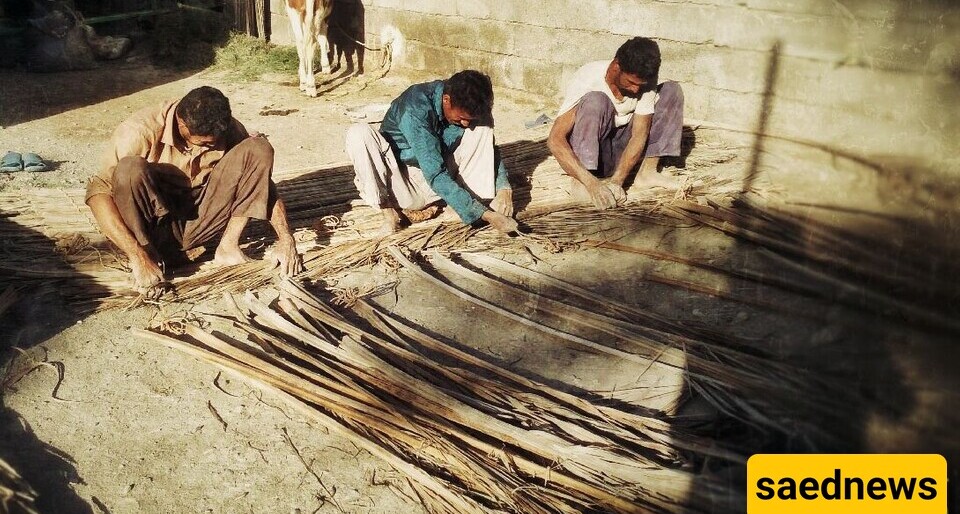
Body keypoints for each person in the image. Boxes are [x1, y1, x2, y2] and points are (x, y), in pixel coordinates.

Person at [85, 86, 303, 294]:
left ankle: (228, 247)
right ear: (181, 124)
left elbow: (260, 180)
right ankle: (149, 257)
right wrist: (136, 254)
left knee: (258, 148)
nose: (209, 147)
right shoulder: (139, 131)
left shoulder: (228, 130)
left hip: (200, 220)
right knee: (128, 169)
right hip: (152, 225)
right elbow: (99, 194)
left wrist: (286, 238)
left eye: (214, 144)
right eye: (205, 143)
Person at [345, 69, 518, 235]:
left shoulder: (468, 106)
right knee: (358, 133)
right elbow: (434, 173)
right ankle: (389, 211)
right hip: (403, 185)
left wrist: (504, 187)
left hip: (442, 181)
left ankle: (462, 204)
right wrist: (486, 215)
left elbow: (489, 148)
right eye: (461, 118)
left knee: (483, 125)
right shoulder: (415, 108)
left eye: (468, 119)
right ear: (446, 100)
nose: (465, 124)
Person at [547, 36, 684, 209]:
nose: (636, 89)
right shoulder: (588, 77)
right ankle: (582, 183)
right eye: (631, 82)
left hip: (623, 153)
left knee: (672, 90)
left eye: (640, 85)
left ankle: (647, 173)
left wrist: (617, 182)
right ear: (616, 66)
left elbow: (639, 135)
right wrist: (592, 184)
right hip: (593, 153)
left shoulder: (644, 82)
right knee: (595, 100)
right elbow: (555, 140)